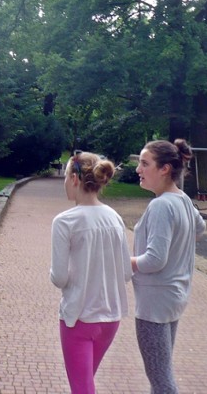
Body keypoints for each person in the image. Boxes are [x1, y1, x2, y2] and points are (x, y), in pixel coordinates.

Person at [50, 152, 132, 394]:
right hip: (110, 317)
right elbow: (126, 272)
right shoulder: (115, 218)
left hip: (78, 317)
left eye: (65, 176)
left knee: (82, 388)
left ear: (74, 179)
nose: (64, 182)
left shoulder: (65, 221)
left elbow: (59, 278)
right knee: (85, 383)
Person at [131, 139, 206, 393]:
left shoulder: (162, 205)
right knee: (161, 375)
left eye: (144, 163)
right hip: (173, 298)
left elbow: (154, 260)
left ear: (164, 169)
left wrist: (120, 262)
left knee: (161, 380)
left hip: (155, 303)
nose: (138, 170)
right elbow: (200, 228)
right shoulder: (181, 199)